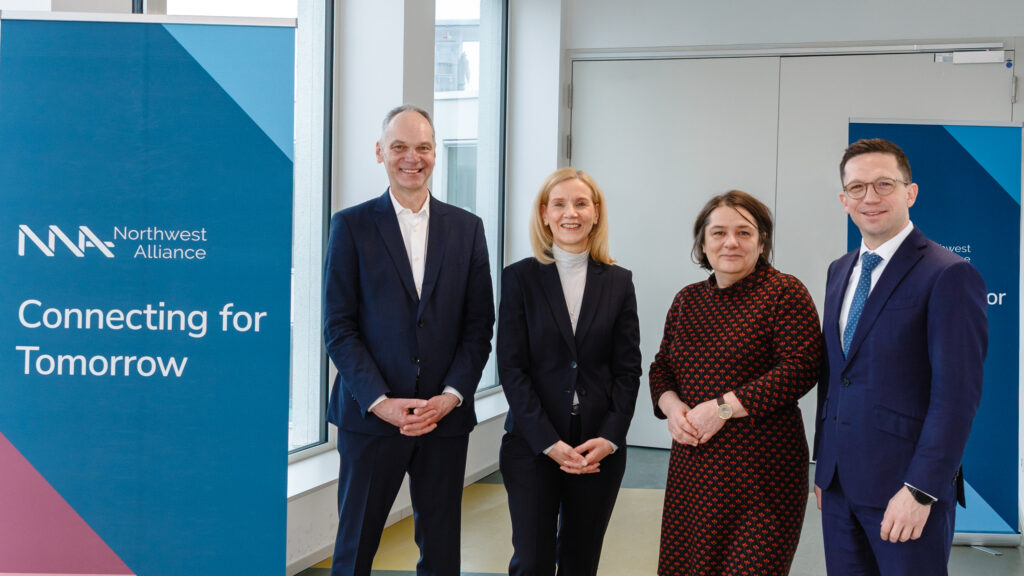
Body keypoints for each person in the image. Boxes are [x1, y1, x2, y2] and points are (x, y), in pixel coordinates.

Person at [322, 104, 495, 576]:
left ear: (435, 153)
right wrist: (381, 402)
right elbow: (338, 327)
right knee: (354, 550)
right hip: (370, 417)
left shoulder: (468, 228)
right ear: (380, 152)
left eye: (422, 147)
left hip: (444, 418)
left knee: (441, 552)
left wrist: (451, 396)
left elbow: (479, 325)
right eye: (399, 147)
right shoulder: (350, 226)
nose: (411, 158)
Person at [814, 138, 987, 575]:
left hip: (904, 491)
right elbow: (835, 377)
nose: (869, 197)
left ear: (910, 193)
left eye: (884, 184)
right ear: (844, 200)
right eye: (857, 188)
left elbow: (956, 398)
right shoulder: (839, 270)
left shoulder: (949, 274)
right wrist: (823, 469)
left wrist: (921, 490)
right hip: (838, 488)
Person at [649, 190, 822, 576]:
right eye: (719, 233)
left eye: (744, 232)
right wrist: (671, 408)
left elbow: (801, 368)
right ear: (702, 243)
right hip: (693, 472)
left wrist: (723, 408)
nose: (731, 242)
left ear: (762, 242)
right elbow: (661, 369)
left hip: (763, 476)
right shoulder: (687, 300)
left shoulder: (785, 293)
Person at [497, 168, 642, 576]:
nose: (570, 213)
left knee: (581, 562)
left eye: (581, 203)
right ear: (545, 214)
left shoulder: (619, 282)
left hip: (598, 446)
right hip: (532, 443)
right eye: (559, 204)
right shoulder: (519, 278)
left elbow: (628, 370)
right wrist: (547, 441)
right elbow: (512, 367)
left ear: (596, 213)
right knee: (532, 562)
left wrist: (610, 438)